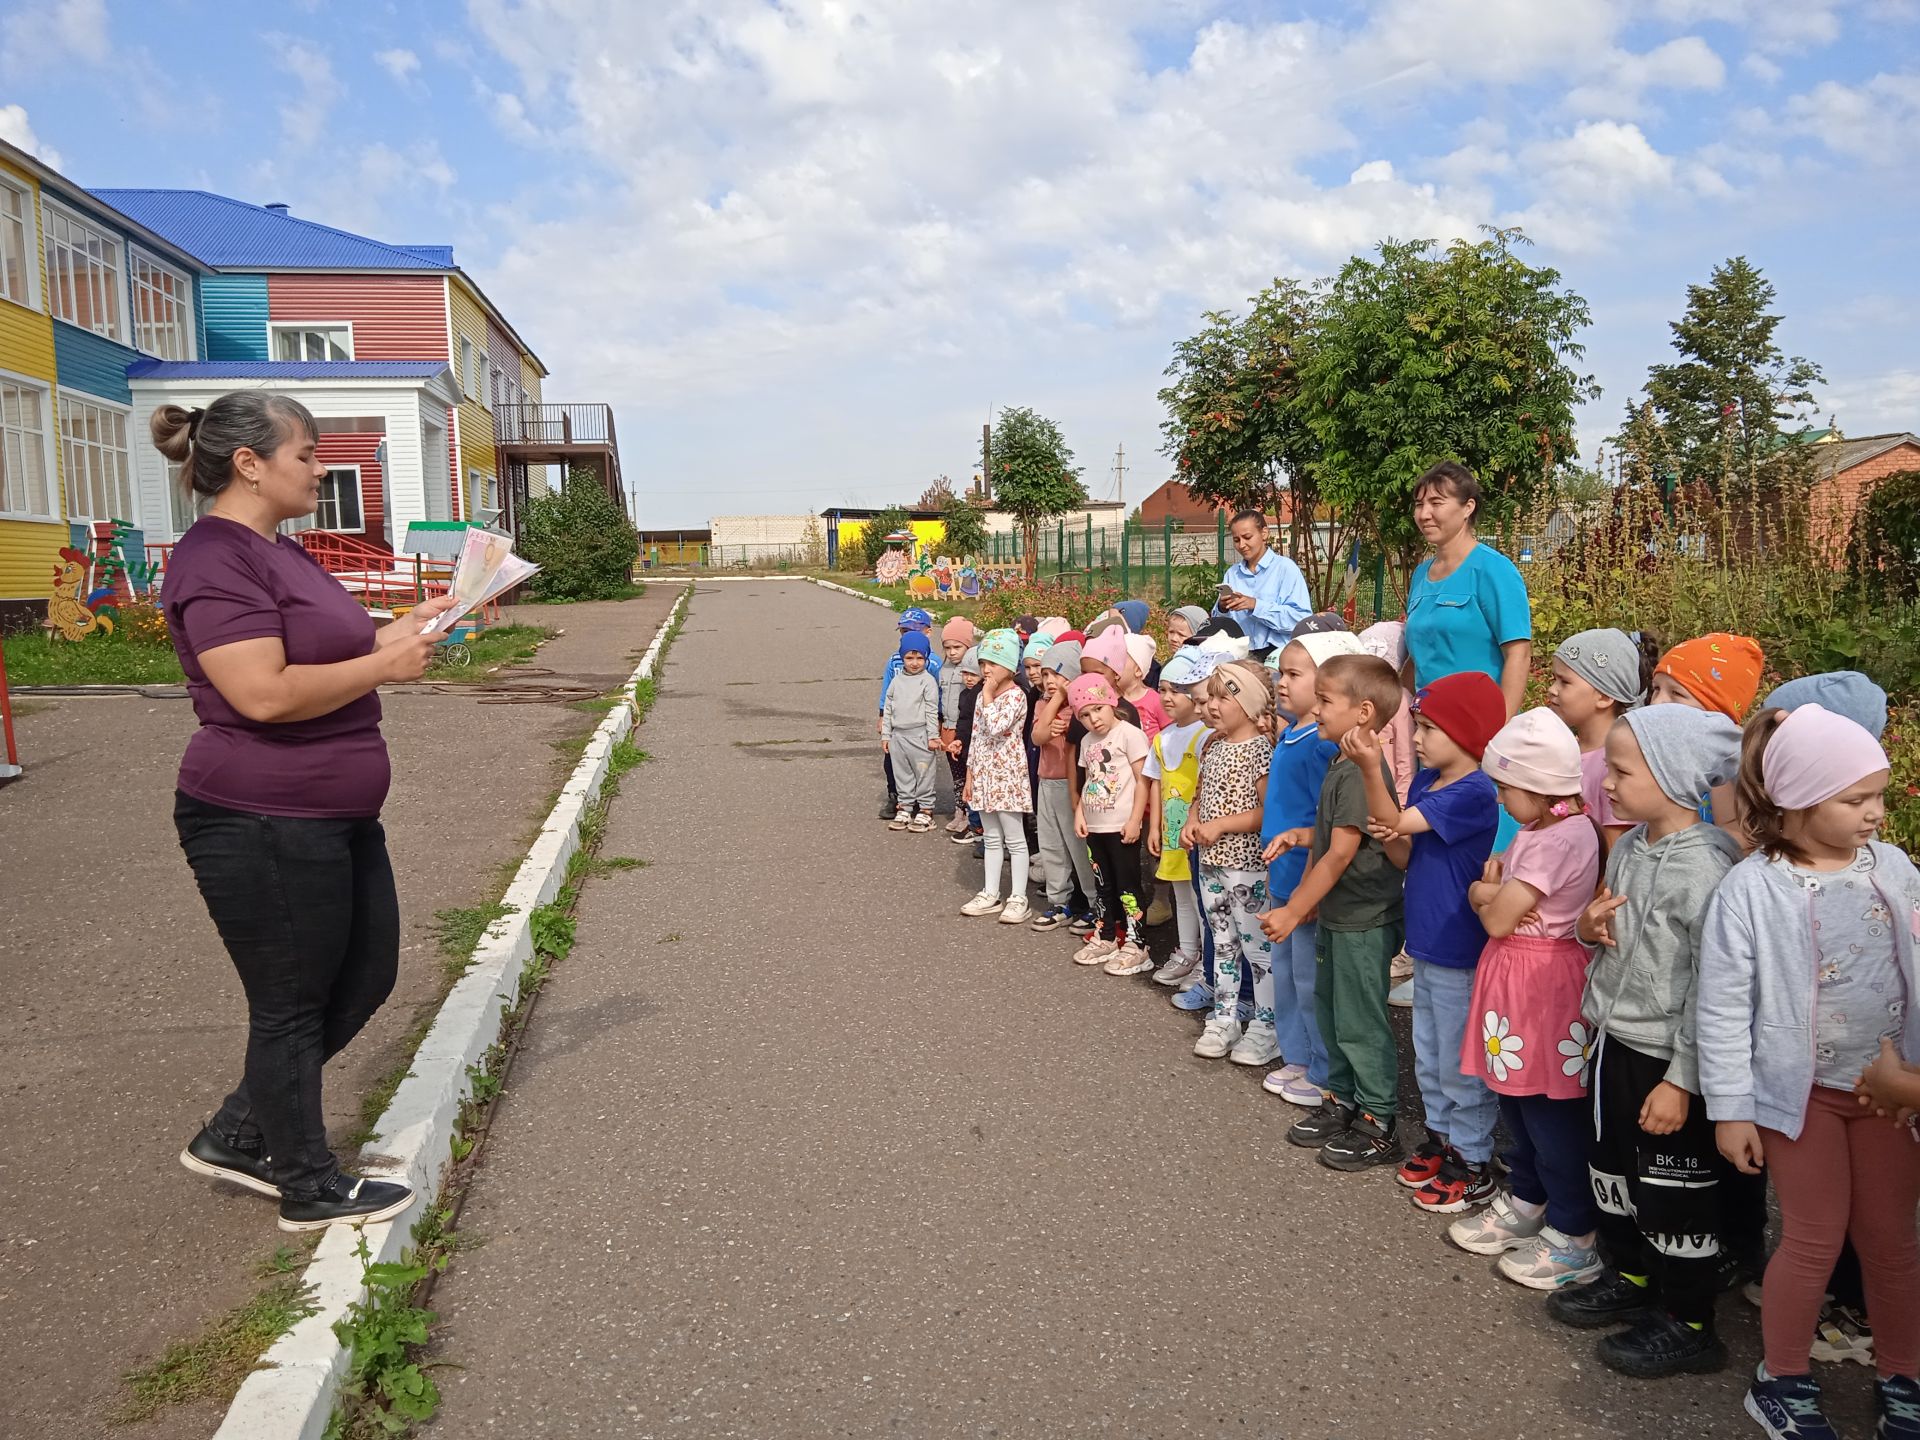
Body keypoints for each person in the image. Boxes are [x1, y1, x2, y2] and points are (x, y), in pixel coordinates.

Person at [159, 392, 453, 1233]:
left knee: (365, 976)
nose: (320, 470)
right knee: (291, 1002)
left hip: (331, 812)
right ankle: (306, 1182)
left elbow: (330, 646)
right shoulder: (216, 558)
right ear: (249, 464)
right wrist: (386, 670)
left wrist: (407, 625)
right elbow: (260, 693)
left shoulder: (276, 552)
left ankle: (239, 1132)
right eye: (307, 455)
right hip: (259, 814)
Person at [1699, 704, 1920, 1438]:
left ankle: (1904, 1374)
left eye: (1878, 797)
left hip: (1888, 1095)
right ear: (1794, 799)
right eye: (1856, 800)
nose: (1875, 814)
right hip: (1803, 1098)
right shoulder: (1752, 890)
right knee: (1814, 1238)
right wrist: (1732, 1108)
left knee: (1892, 1241)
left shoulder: (1893, 868)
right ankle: (1782, 1377)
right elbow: (1724, 1006)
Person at [1552, 705, 1746, 1379]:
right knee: (1613, 1172)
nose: (1607, 778)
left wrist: (1683, 1079)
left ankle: (1691, 1321)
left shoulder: (1710, 868)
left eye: (1623, 769)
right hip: (1613, 1037)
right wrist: (1586, 927)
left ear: (1671, 777)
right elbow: (1607, 929)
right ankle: (1631, 1277)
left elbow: (1715, 984)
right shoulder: (1632, 844)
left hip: (1667, 1057)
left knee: (1675, 1190)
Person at [1445, 708, 1604, 1288]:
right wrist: (1496, 892)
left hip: (1536, 983)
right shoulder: (1559, 830)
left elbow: (1498, 918)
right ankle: (1530, 1201)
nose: (1500, 798)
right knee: (1517, 1094)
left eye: (1505, 788)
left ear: (1537, 789)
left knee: (1546, 1108)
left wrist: (1481, 888)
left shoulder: (1547, 842)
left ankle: (1574, 1232)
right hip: (1525, 980)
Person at [1352, 671, 1505, 1211]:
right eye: (1417, 725)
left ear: (1467, 734)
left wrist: (1372, 767)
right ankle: (1443, 1139)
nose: (1415, 738)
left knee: (1463, 1060)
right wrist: (1391, 831)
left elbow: (1392, 820)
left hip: (1461, 947)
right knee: (1431, 1053)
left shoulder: (1474, 791)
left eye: (1429, 728)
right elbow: (1403, 852)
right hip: (1428, 943)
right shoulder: (1426, 783)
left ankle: (1475, 1157)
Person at [1264, 655, 1407, 1170]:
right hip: (1340, 917)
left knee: (1359, 1021)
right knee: (1331, 1011)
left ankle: (1379, 1119)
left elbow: (1342, 854)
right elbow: (1336, 835)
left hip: (1364, 918)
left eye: (1325, 701)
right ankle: (1342, 1101)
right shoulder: (1340, 761)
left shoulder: (1358, 772)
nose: (1316, 710)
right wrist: (1302, 835)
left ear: (1363, 712)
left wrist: (1294, 909)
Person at [1258, 629, 1359, 1107]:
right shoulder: (1292, 731)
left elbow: (1329, 816)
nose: (1281, 682)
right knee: (1287, 971)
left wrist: (1308, 885)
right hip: (1282, 871)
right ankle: (1297, 1054)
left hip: (1306, 874)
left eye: (1294, 675)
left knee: (1309, 978)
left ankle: (1322, 1067)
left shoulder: (1321, 745)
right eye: (1281, 672)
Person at [1183, 661, 1276, 1060]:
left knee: (1257, 949)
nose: (1214, 705)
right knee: (1222, 943)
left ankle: (1267, 1023)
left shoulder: (1261, 750)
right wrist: (1193, 820)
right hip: (1211, 863)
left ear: (1249, 703)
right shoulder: (1214, 746)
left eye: (1225, 696)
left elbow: (1267, 811)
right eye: (1212, 696)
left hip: (1248, 867)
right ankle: (1223, 1018)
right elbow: (1201, 795)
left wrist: (1221, 825)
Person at [1404, 462, 1532, 717]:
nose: (1424, 514)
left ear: (1467, 507)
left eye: (1436, 503)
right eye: (1419, 505)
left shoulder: (1493, 569)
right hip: (1427, 729)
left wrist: (1498, 728)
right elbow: (1416, 659)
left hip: (1476, 727)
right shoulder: (1420, 574)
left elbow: (1519, 654)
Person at [1068, 674, 1153, 975]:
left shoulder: (1130, 734)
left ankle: (1138, 943)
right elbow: (1089, 778)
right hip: (1095, 825)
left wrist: (1135, 821)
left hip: (1121, 826)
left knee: (1128, 885)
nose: (1093, 719)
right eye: (1085, 715)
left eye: (1098, 709)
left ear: (1111, 702)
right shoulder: (1086, 741)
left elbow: (1144, 780)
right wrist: (1080, 813)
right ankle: (1106, 936)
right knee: (1103, 885)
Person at [1550, 627, 1660, 853]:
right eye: (1554, 679)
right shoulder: (1564, 749)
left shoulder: (1615, 765)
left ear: (1604, 696)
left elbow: (1613, 853)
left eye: (1564, 682)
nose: (1552, 690)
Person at [1647, 632, 1765, 832]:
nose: (1658, 701)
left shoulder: (1723, 758)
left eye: (1676, 693)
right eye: (1656, 689)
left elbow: (1734, 834)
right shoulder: (1659, 747)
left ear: (1718, 708)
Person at [1145, 648, 1212, 988]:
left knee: (1203, 899)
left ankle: (1206, 961)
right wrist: (1155, 826)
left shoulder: (1206, 734)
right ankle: (1187, 952)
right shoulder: (1163, 737)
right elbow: (1157, 783)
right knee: (1181, 896)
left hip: (1197, 831)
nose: (1168, 697)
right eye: (1163, 690)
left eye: (1177, 690)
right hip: (1172, 832)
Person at [961, 631, 1033, 922]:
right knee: (991, 837)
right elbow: (977, 736)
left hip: (1008, 774)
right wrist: (970, 774)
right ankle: (990, 892)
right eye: (982, 663)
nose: (986, 670)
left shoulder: (1017, 696)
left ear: (1010, 667)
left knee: (1014, 839)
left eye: (993, 663)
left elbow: (996, 727)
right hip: (984, 774)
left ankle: (1019, 897)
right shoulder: (982, 696)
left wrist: (989, 696)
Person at [1029, 642, 1097, 933]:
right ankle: (1060, 901)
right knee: (1051, 844)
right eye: (1044, 675)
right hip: (1047, 782)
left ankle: (1095, 904)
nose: (1048, 681)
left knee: (1078, 847)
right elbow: (1037, 736)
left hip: (1072, 786)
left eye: (1054, 675)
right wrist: (1054, 702)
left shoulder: (1080, 708)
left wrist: (1065, 702)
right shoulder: (1044, 704)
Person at [1212, 510, 1312, 660]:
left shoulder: (1285, 569)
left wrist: (1256, 606)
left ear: (1264, 533)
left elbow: (1300, 620)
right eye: (1236, 540)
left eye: (1247, 537)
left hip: (1277, 656)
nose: (1242, 545)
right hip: (1240, 656)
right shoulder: (1232, 574)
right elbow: (1218, 623)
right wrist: (1222, 608)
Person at [876, 606, 940, 818]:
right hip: (897, 729)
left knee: (922, 768)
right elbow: (888, 693)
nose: (914, 663)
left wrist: (936, 728)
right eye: (904, 632)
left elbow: (935, 699)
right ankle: (898, 799)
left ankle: (924, 807)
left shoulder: (933, 665)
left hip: (921, 728)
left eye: (915, 630)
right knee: (894, 764)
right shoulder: (894, 661)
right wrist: (882, 716)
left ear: (928, 632)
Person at [938, 618, 976, 835]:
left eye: (957, 647)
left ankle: (969, 812)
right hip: (948, 729)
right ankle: (959, 810)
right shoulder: (943, 669)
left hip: (964, 731)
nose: (952, 652)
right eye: (948, 648)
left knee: (967, 772)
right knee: (956, 775)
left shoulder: (970, 669)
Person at [949, 646, 985, 849]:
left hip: (978, 751)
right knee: (969, 789)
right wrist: (959, 739)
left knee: (977, 790)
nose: (969, 678)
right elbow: (963, 722)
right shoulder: (966, 695)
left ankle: (978, 827)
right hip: (967, 749)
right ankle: (974, 824)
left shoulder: (981, 694)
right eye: (965, 673)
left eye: (974, 674)